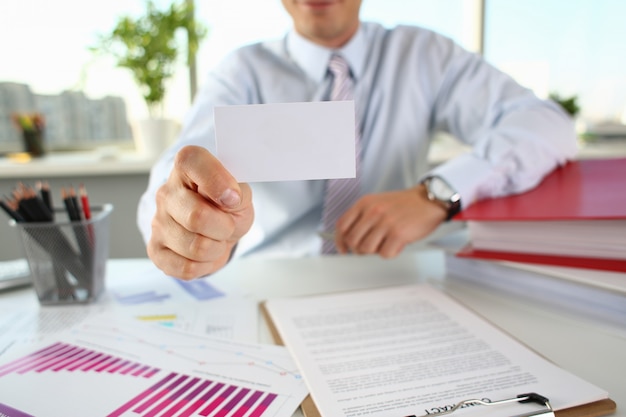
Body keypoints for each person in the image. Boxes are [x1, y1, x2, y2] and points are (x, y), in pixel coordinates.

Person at [137, 0, 578, 280]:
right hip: (270, 280)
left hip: (395, 276)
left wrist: (436, 195)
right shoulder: (242, 72)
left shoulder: (425, 56)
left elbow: (546, 124)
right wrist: (178, 220)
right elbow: (176, 177)